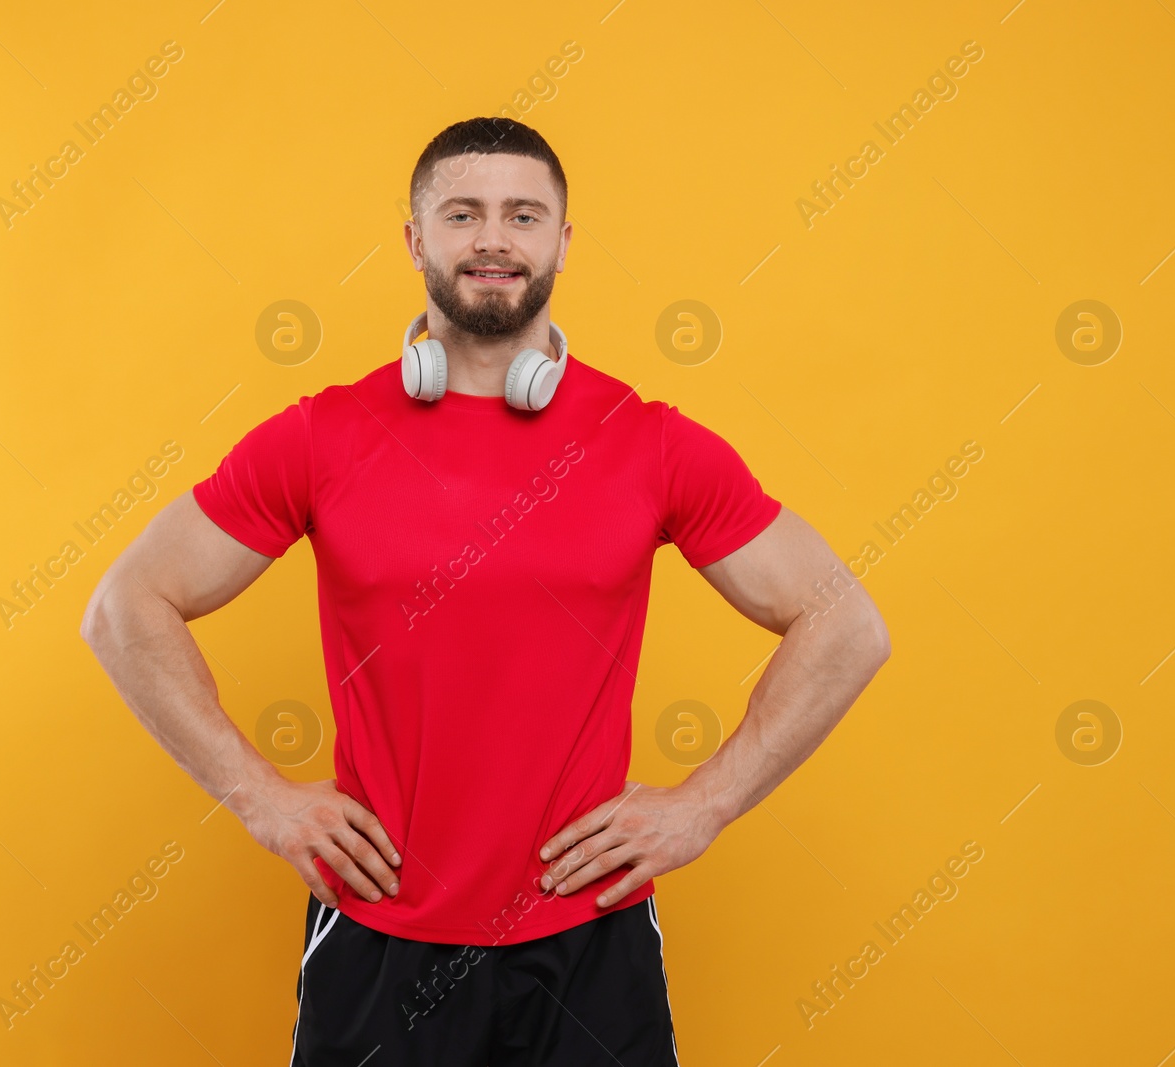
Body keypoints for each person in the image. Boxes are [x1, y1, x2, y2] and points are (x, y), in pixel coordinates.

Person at [81, 116, 890, 1066]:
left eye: (523, 214)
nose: (494, 239)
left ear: (561, 241)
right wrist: (258, 795)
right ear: (418, 240)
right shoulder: (321, 436)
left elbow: (844, 623)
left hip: (590, 941)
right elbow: (125, 607)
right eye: (463, 214)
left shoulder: (651, 442)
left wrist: (704, 802)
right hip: (379, 935)